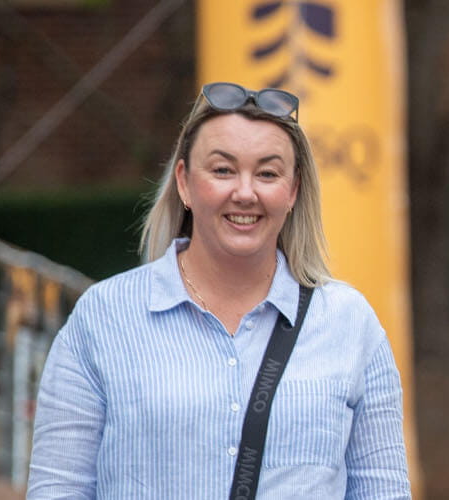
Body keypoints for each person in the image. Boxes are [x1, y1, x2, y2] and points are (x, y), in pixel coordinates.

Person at [27, 83, 411, 498]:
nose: (245, 193)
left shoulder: (349, 324)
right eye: (223, 170)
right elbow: (58, 489)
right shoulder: (103, 318)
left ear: (293, 191)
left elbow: (383, 490)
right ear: (185, 183)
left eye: (267, 173)